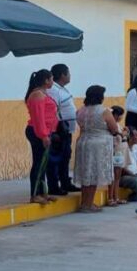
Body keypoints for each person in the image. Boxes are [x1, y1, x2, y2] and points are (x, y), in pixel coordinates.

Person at [73, 85, 117, 213]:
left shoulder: (80, 111)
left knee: (86, 172)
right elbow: (113, 128)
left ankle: (84, 202)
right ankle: (89, 204)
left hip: (83, 142)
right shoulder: (104, 111)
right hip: (98, 144)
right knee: (93, 173)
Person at [24, 69, 58, 205]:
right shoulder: (37, 95)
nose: (52, 82)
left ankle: (43, 192)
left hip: (44, 131)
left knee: (43, 163)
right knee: (38, 163)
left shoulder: (43, 93)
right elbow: (38, 118)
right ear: (46, 80)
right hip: (38, 131)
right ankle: (34, 194)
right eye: (51, 79)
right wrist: (43, 136)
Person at [47, 63, 80, 195]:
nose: (70, 76)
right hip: (58, 129)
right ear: (62, 75)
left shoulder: (60, 88)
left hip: (66, 129)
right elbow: (52, 110)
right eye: (68, 73)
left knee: (65, 156)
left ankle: (65, 182)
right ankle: (54, 185)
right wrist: (54, 131)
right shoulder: (53, 90)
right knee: (56, 158)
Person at [109, 107, 127, 206]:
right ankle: (111, 197)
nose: (121, 117)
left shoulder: (118, 125)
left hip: (119, 153)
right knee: (113, 176)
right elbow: (116, 139)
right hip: (115, 152)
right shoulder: (113, 126)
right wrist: (123, 134)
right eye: (120, 115)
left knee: (117, 177)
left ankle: (116, 197)